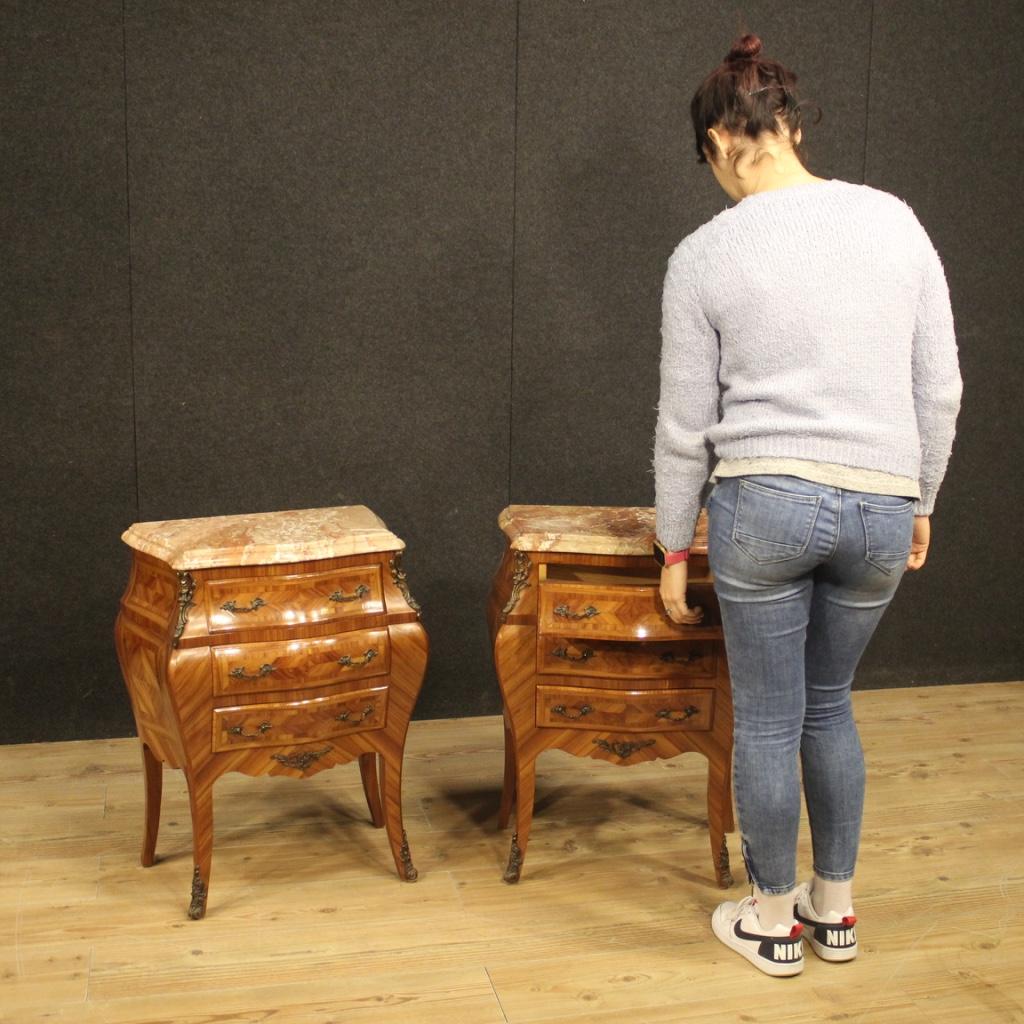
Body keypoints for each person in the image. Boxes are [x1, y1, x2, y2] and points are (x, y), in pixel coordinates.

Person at [652, 33, 961, 977]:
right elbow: (938, 388)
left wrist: (672, 544)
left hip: (764, 503)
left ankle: (771, 921)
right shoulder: (894, 221)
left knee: (770, 718)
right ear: (790, 123)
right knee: (831, 707)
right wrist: (923, 498)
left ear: (717, 142)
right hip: (881, 502)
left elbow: (683, 424)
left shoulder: (703, 252)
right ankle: (837, 913)